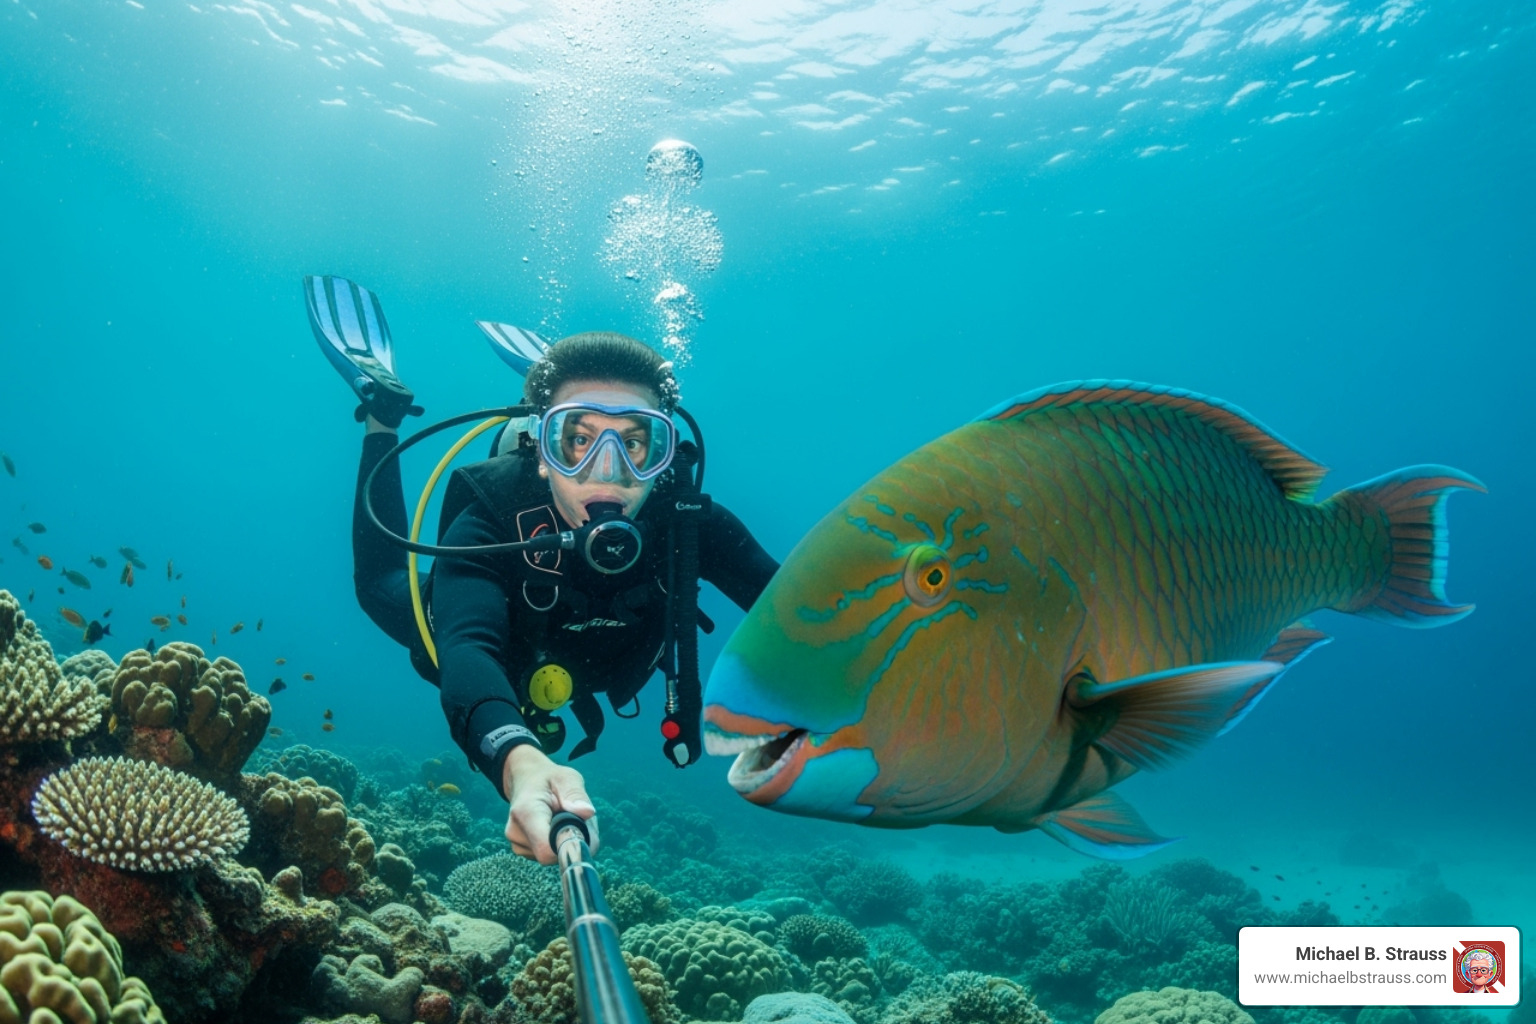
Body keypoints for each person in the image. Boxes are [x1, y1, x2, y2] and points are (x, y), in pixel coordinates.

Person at [313, 278, 778, 865]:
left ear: (665, 456)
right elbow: (468, 650)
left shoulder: (686, 523)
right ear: (540, 453)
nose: (605, 471)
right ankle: (381, 418)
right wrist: (520, 760)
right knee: (379, 588)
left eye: (636, 444)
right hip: (507, 643)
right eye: (575, 440)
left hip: (580, 663)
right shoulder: (492, 513)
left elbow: (802, 610)